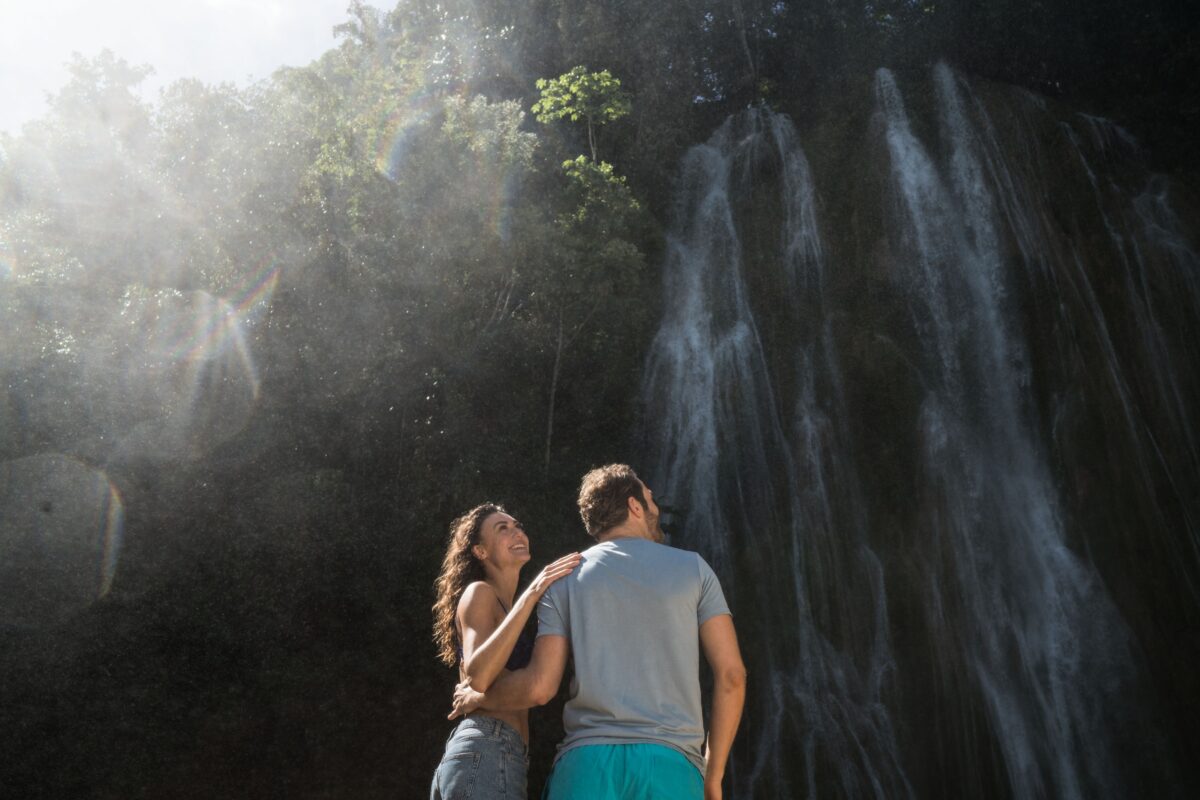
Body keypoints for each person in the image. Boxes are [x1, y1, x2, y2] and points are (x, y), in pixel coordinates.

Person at [450, 465, 746, 800]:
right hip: (671, 764)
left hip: (584, 766)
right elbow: (732, 676)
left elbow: (541, 687)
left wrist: (482, 698)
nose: (656, 508)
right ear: (635, 507)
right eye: (650, 499)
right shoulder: (694, 569)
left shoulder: (563, 578)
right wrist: (713, 774)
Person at [430, 503, 582, 800]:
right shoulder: (479, 593)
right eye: (503, 529)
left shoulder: (508, 610)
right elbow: (479, 675)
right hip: (486, 747)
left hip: (499, 753)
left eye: (518, 526)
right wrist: (534, 590)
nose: (517, 532)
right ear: (480, 551)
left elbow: (534, 686)